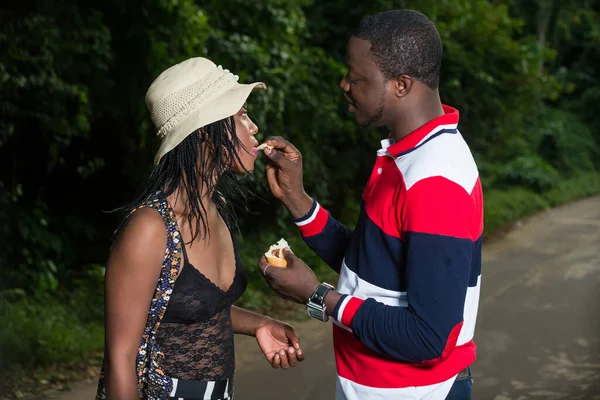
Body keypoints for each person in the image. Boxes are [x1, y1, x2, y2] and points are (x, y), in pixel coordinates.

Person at [257, 10, 483, 400]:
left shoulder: (435, 180)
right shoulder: (406, 156)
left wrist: (318, 296)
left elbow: (429, 337)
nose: (344, 85)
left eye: (357, 78)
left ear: (401, 85)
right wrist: (299, 202)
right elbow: (376, 263)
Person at [96, 57, 304, 400]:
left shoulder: (215, 208)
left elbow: (195, 311)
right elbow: (121, 359)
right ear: (207, 129)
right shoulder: (150, 228)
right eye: (241, 115)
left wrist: (260, 324)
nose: (253, 127)